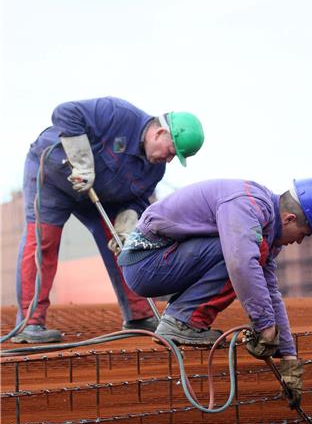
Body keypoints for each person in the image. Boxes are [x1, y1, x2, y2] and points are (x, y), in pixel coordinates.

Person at [118, 177, 312, 408]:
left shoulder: (265, 224)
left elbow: (269, 290)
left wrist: (288, 357)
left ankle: (181, 318)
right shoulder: (247, 205)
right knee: (242, 254)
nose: (300, 242)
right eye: (304, 234)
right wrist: (265, 326)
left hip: (161, 261)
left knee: (249, 253)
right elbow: (241, 264)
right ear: (289, 218)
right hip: (146, 264)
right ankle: (182, 321)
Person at [12, 97, 204, 343]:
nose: (168, 160)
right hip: (55, 177)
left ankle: (139, 315)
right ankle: (30, 323)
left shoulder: (154, 169)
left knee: (127, 247)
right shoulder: (117, 114)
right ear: (160, 133)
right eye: (171, 152)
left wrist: (125, 227)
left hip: (103, 194)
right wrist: (82, 163)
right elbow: (65, 113)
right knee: (43, 243)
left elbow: (136, 200)